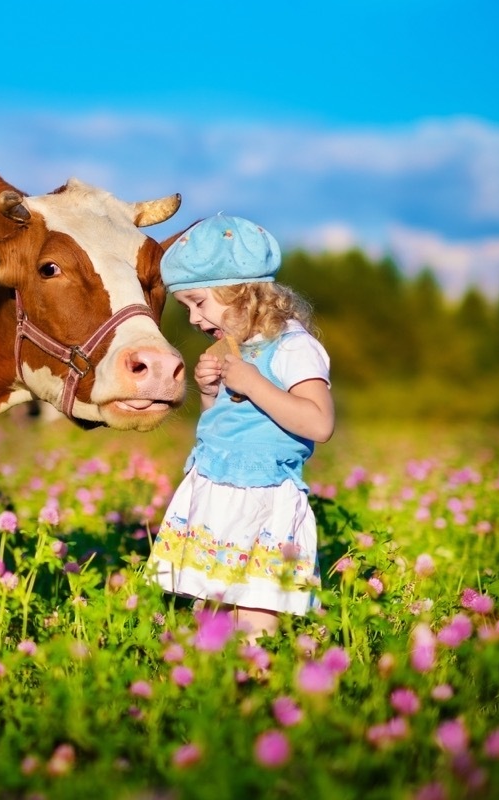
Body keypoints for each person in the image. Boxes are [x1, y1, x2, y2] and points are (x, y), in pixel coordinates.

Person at [146, 213, 334, 641]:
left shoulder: (295, 347)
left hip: (263, 499)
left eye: (198, 301)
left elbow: (319, 422)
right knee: (208, 615)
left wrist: (252, 383)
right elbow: (226, 425)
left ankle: (256, 685)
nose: (193, 318)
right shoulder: (238, 350)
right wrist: (211, 392)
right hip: (216, 493)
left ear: (241, 291)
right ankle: (213, 693)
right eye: (187, 307)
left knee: (254, 612)